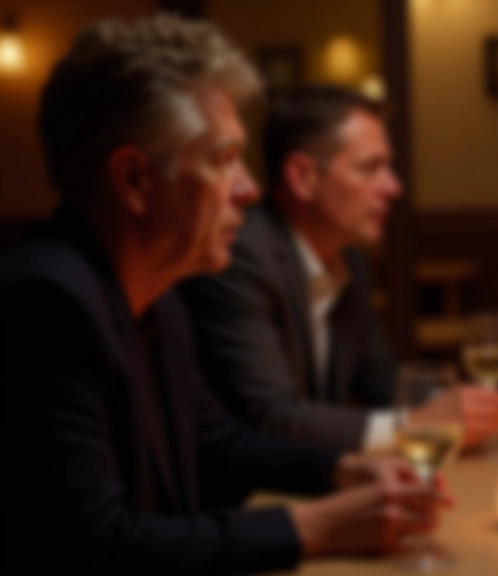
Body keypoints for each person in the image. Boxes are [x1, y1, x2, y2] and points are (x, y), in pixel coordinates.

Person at [0, 15, 443, 574]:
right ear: (134, 179)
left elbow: (221, 444)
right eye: (221, 159)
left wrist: (343, 469)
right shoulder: (44, 302)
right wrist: (316, 526)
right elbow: (95, 545)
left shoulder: (158, 297)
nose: (249, 189)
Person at [181, 85, 498, 453]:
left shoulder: (349, 260)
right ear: (302, 176)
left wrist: (457, 406)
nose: (394, 187)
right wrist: (417, 424)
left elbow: (382, 382)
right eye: (371, 168)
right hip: (244, 499)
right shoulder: (241, 255)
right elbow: (271, 418)